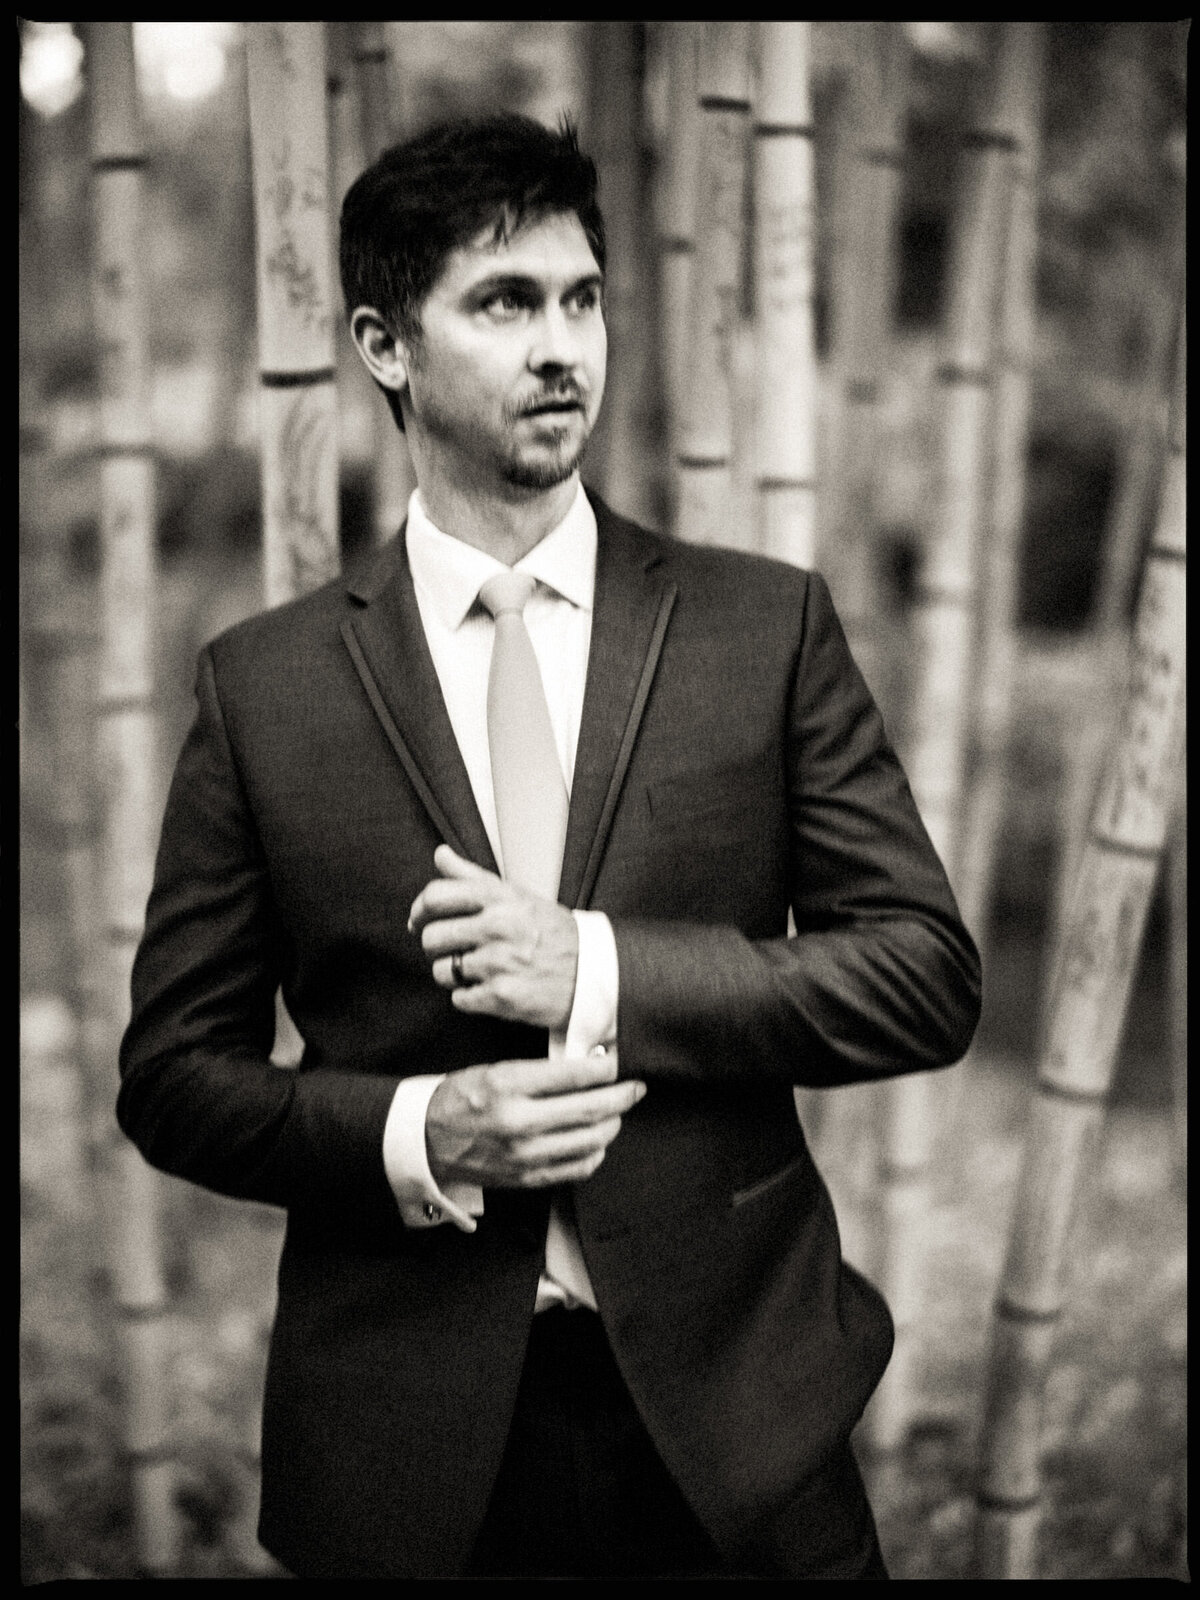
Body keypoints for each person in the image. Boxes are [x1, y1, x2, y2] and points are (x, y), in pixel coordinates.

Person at [117, 113, 981, 1580]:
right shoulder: (263, 691)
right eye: (506, 304)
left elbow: (924, 977)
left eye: (581, 299)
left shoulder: (760, 628)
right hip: (410, 1452)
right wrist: (413, 1135)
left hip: (743, 1423)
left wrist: (590, 966)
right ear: (386, 345)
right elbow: (174, 1079)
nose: (562, 346)